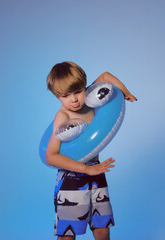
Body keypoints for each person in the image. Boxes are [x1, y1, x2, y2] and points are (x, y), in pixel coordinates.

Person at [45, 61, 137, 240]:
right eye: (65, 95)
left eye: (78, 91)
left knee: (102, 227)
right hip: (72, 179)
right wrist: (87, 169)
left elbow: (105, 76)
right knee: (68, 233)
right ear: (58, 97)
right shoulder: (63, 116)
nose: (74, 99)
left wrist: (125, 92)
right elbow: (50, 155)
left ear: (83, 87)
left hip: (96, 172)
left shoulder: (91, 98)